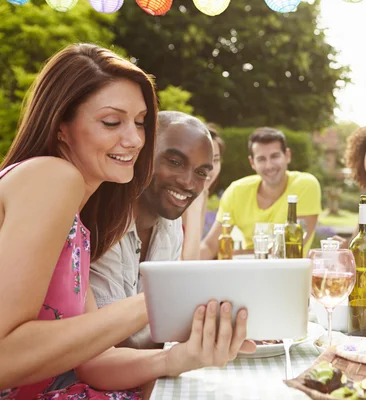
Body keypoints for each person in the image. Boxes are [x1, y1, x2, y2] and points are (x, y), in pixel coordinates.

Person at [0, 44, 254, 399]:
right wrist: (166, 291)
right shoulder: (52, 177)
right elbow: (4, 356)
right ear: (61, 125)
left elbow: (94, 361)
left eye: (140, 123)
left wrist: (183, 357)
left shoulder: (77, 218)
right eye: (111, 122)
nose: (135, 140)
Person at [91, 111, 214, 350]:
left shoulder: (171, 225)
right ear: (142, 155)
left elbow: (165, 320)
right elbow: (114, 340)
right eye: (175, 162)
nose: (189, 183)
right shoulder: (103, 221)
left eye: (201, 172)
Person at [199, 127, 322, 259]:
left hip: (289, 274)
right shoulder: (236, 191)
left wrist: (239, 255)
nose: (269, 166)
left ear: (287, 156)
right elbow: (211, 246)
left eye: (274, 156)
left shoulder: (305, 185)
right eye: (261, 159)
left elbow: (290, 248)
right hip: (249, 273)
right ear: (252, 162)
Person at [181, 124, 225, 260]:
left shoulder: (202, 193)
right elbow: (188, 261)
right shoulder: (176, 196)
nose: (209, 169)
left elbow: (195, 253)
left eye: (215, 160)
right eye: (203, 159)